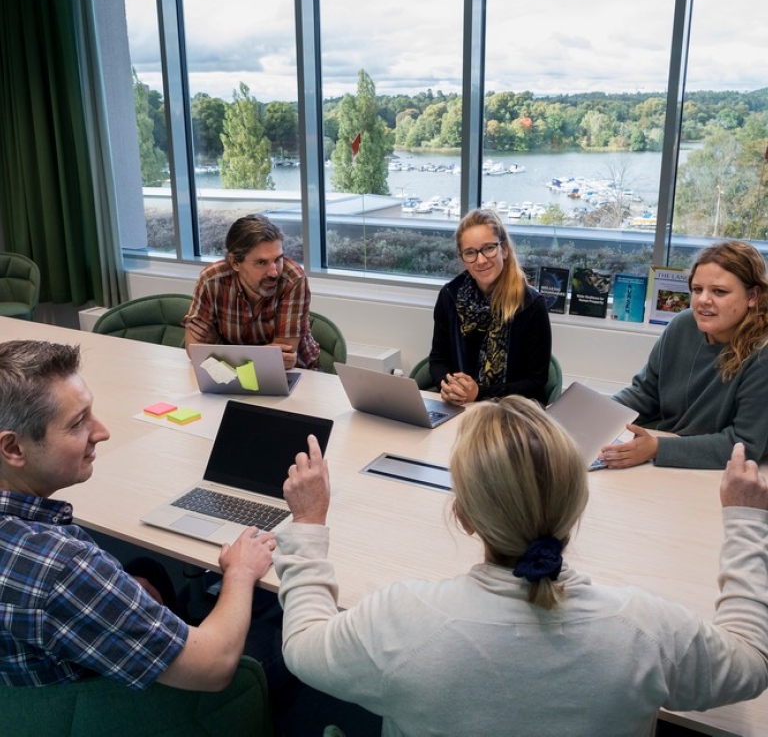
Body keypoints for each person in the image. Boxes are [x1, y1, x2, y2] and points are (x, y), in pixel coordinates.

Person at [275, 397, 768, 737]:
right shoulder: (644, 629)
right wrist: (746, 523)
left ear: (464, 517)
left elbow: (302, 646)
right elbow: (749, 664)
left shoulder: (402, 621)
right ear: (577, 504)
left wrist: (308, 524)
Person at [0, 340, 277, 691]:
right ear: (13, 448)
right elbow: (213, 666)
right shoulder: (63, 568)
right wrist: (240, 571)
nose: (101, 432)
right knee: (280, 638)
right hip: (102, 708)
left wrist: (107, 589)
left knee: (145, 571)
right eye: (78, 423)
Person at [604, 240, 768, 469]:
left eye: (719, 291)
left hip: (726, 472)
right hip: (676, 456)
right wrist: (598, 412)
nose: (703, 300)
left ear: (753, 296)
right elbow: (645, 394)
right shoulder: (682, 324)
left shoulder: (763, 353)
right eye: (697, 289)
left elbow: (745, 444)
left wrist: (657, 448)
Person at [429, 208, 551, 405]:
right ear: (463, 258)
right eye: (470, 253)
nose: (481, 260)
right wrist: (450, 385)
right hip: (459, 405)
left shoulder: (531, 305)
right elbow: (437, 360)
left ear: (504, 249)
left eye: (488, 248)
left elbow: (535, 381)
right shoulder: (449, 296)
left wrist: (479, 393)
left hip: (513, 410)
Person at [184, 214, 320, 370]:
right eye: (261, 262)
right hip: (233, 374)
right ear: (235, 262)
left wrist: (218, 346)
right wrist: (263, 355)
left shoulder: (293, 279)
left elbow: (282, 356)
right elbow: (194, 350)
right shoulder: (212, 279)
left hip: (297, 372)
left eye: (278, 259)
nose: (274, 272)